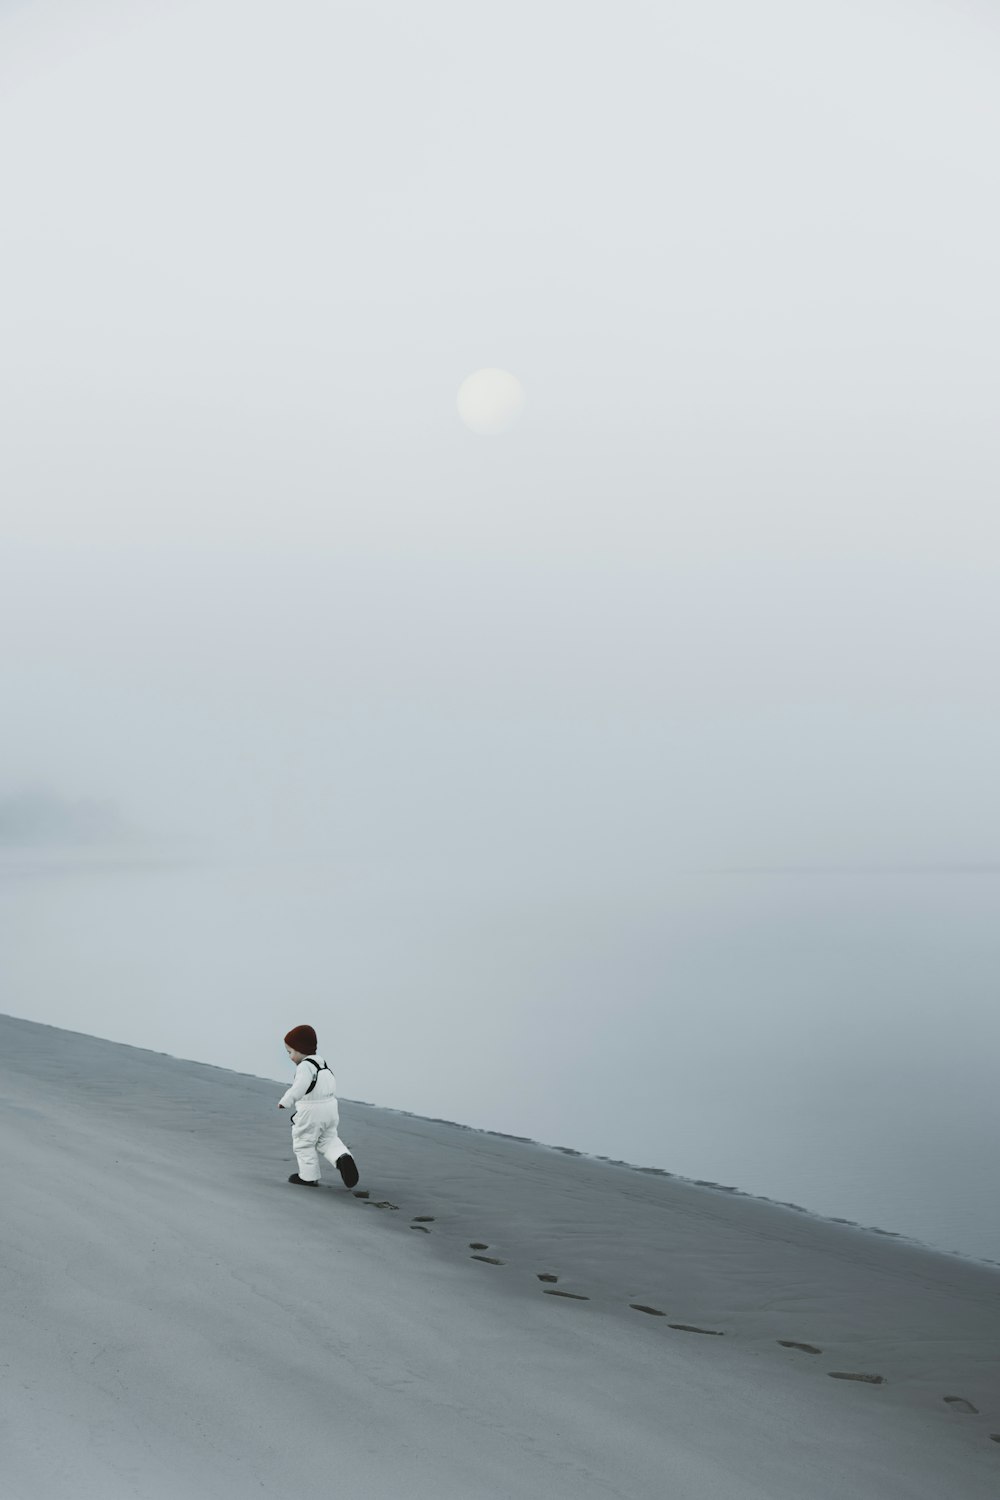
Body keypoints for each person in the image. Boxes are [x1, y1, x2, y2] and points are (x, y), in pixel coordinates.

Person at [278, 1024, 360, 1189]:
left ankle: (308, 1177)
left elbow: (299, 1087)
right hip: (330, 1110)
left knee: (304, 1142)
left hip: (311, 1112)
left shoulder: (304, 1067)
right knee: (328, 1139)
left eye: (290, 1052)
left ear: (300, 1050)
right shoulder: (322, 1064)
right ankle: (342, 1157)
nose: (289, 1056)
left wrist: (286, 1101)